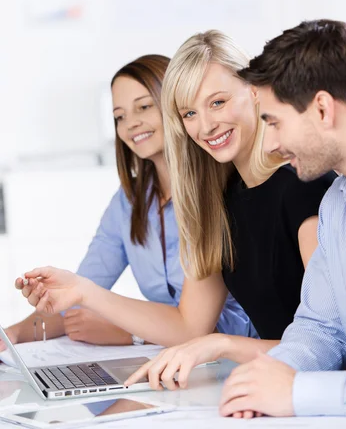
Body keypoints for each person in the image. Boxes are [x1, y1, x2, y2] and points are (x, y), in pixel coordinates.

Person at [15, 31, 334, 365]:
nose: (206, 126)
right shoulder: (220, 201)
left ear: (254, 91)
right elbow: (189, 325)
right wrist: (82, 290)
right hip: (268, 381)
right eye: (189, 113)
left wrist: (222, 345)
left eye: (217, 102)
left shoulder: (304, 187)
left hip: (313, 392)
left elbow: (332, 346)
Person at [3, 54, 249, 351]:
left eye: (144, 107)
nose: (131, 123)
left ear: (176, 106)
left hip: (236, 360)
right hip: (175, 360)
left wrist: (129, 332)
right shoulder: (129, 202)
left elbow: (205, 325)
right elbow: (75, 293)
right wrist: (11, 336)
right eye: (120, 116)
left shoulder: (217, 192)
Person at [218, 19, 346, 418]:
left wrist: (301, 392)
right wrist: (270, 380)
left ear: (322, 109)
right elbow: (320, 327)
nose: (271, 144)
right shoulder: (337, 204)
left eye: (274, 122)